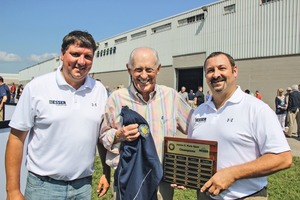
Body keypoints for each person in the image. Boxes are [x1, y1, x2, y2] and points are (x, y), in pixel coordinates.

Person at [5, 30, 109, 200]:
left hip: (83, 187)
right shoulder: (37, 87)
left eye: (88, 56)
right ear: (62, 54)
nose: (81, 62)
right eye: (75, 54)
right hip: (43, 188)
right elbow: (16, 139)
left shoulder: (99, 91)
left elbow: (101, 138)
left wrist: (106, 171)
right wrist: (12, 190)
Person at [187, 52, 292, 199]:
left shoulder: (257, 109)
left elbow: (283, 158)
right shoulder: (199, 112)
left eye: (221, 68)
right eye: (210, 70)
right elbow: (192, 152)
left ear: (234, 71)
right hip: (206, 195)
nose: (216, 74)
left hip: (246, 196)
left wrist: (233, 173)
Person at [99, 47, 192, 199]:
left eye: (149, 69)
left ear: (158, 69)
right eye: (138, 70)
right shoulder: (116, 98)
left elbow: (197, 128)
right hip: (127, 180)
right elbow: (103, 135)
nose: (143, 75)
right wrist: (118, 135)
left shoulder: (171, 97)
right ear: (129, 70)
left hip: (162, 183)